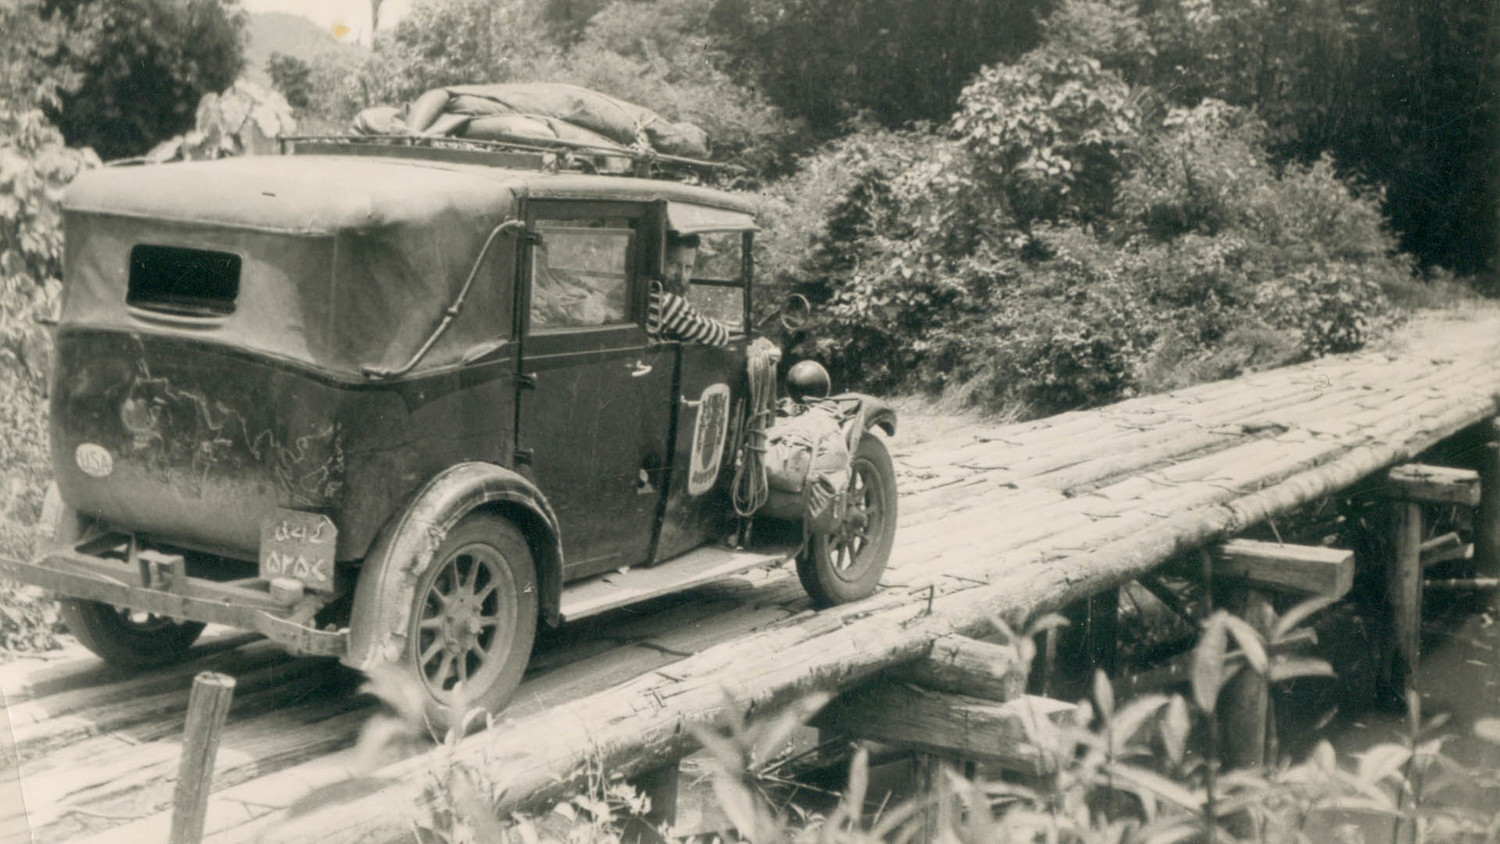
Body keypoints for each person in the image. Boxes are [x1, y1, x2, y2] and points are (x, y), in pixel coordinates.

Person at [647, 233, 730, 346]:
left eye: (688, 267)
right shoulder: (666, 302)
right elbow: (720, 336)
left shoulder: (646, 293)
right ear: (658, 263)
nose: (681, 275)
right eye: (673, 264)